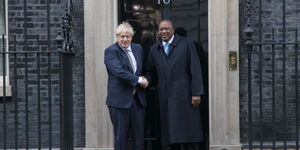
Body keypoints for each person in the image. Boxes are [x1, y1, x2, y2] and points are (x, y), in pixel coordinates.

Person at [145, 20, 204, 150]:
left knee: (188, 128)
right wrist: (145, 81)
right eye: (161, 29)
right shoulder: (154, 49)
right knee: (169, 130)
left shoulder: (186, 44)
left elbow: (195, 68)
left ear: (172, 30)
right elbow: (150, 71)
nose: (163, 32)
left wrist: (196, 92)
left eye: (166, 29)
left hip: (185, 94)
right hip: (164, 95)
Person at [104, 22, 148, 150]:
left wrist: (145, 78)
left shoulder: (138, 48)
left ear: (132, 37)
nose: (124, 39)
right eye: (122, 36)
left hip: (137, 100)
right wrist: (139, 80)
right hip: (119, 101)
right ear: (117, 37)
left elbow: (141, 69)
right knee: (121, 138)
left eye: (127, 36)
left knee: (139, 138)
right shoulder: (111, 51)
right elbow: (119, 72)